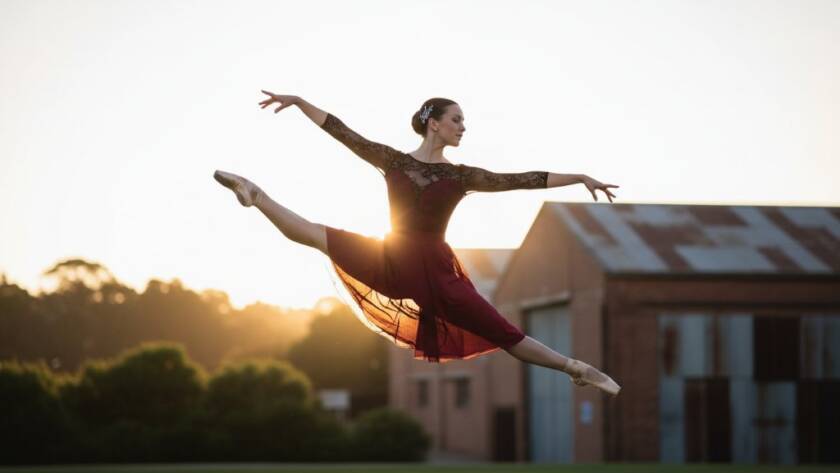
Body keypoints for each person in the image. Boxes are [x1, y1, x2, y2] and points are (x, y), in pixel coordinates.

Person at [213, 91, 621, 396]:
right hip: (390, 257)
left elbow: (524, 179)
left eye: (464, 121)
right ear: (434, 123)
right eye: (457, 119)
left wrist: (580, 177)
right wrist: (301, 102)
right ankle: (255, 194)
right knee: (314, 235)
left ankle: (575, 368)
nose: (463, 127)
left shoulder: (463, 176)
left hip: (434, 272)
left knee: (504, 333)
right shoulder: (393, 160)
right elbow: (342, 132)